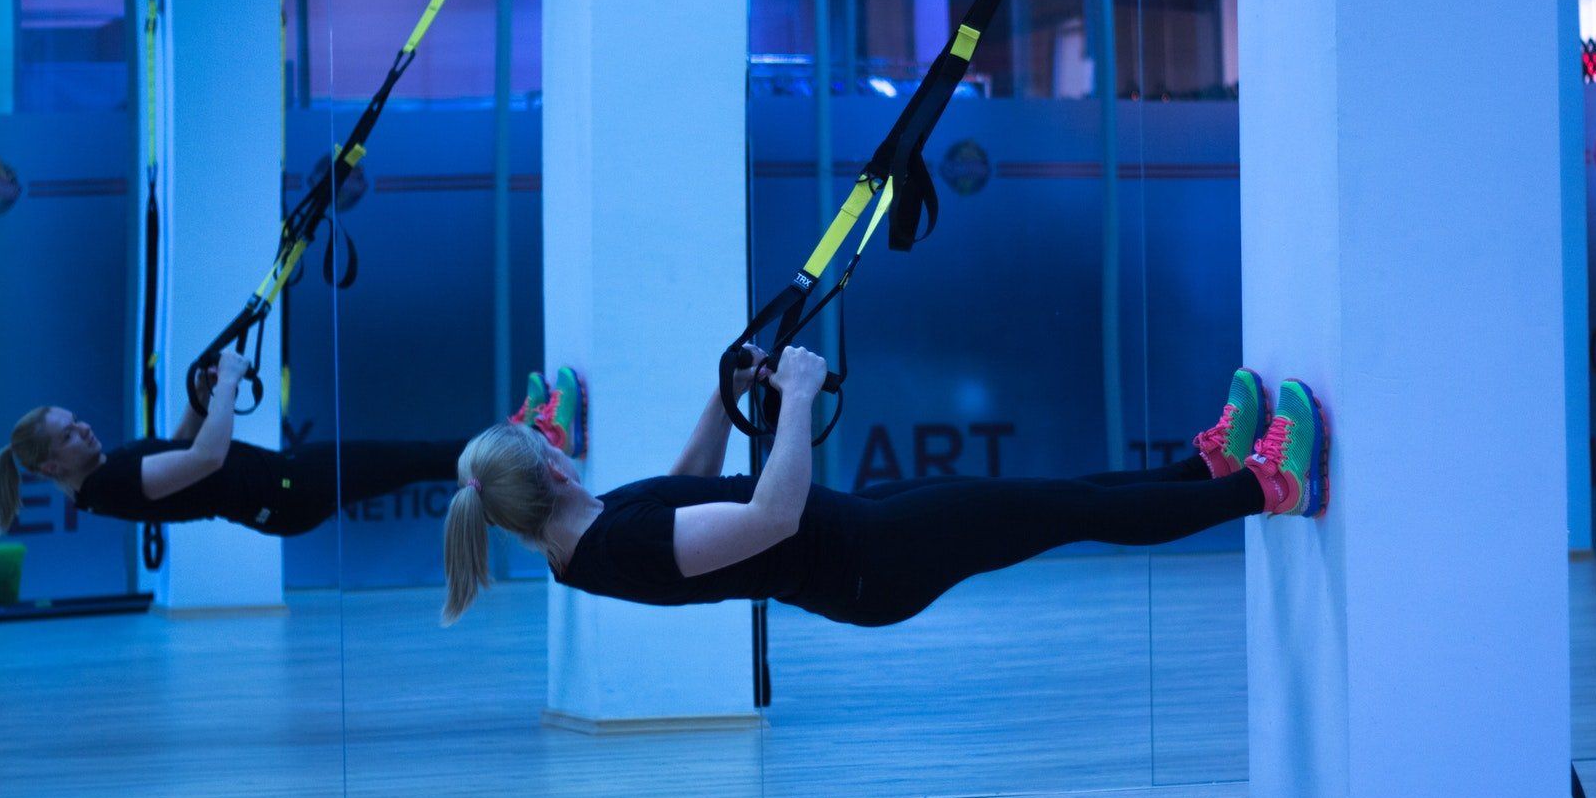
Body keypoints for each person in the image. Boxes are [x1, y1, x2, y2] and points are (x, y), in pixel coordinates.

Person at [439, 345, 1328, 627]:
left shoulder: (581, 534)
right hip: (873, 564)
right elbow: (771, 515)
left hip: (863, 538)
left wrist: (723, 395)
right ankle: (1269, 487)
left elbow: (683, 491)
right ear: (551, 469)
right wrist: (796, 396)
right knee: (1072, 510)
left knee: (1066, 496)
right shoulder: (613, 545)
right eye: (543, 440)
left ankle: (1210, 470)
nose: (553, 438)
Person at [0, 348, 470, 538]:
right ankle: (507, 450)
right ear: (51, 466)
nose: (83, 429)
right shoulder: (109, 485)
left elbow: (177, 448)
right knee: (412, 460)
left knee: (412, 459)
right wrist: (227, 384)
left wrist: (203, 397)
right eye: (68, 435)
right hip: (288, 495)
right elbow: (206, 457)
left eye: (76, 420)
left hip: (286, 478)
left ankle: (503, 451)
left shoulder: (100, 475)